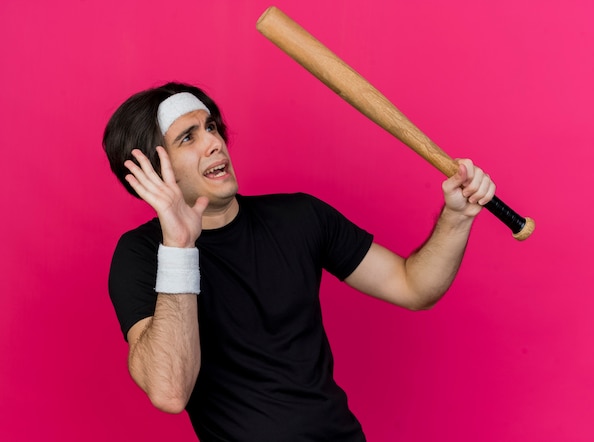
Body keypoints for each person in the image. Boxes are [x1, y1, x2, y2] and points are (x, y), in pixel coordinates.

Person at [103, 81, 495, 441]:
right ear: (152, 171)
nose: (214, 143)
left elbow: (415, 287)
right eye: (188, 137)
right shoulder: (140, 256)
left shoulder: (300, 218)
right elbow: (170, 390)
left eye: (211, 127)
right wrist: (179, 247)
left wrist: (456, 217)